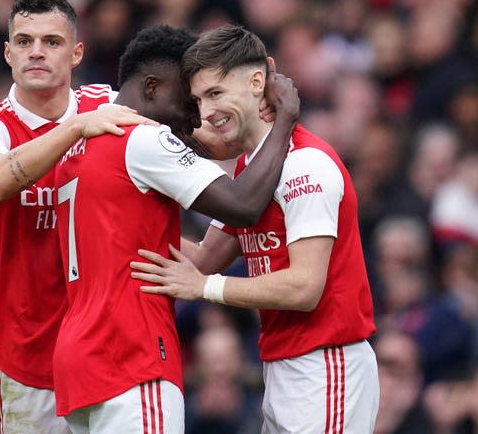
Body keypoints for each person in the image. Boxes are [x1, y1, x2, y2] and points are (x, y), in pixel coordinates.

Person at [131, 25, 379, 433]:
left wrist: (205, 288)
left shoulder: (306, 166)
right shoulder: (252, 170)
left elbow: (304, 287)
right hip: (286, 367)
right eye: (198, 99)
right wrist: (127, 213)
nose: (207, 112)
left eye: (215, 93)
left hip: (326, 367)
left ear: (257, 81)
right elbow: (206, 258)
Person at [53, 24, 299, 433]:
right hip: (131, 354)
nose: (196, 114)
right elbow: (243, 206)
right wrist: (284, 122)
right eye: (188, 99)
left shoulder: (80, 142)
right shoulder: (144, 140)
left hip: (80, 360)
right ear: (151, 87)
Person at [0, 0, 160, 434]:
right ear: (7, 53)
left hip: (111, 357)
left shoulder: (108, 104)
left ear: (76, 53)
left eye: (51, 41)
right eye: (25, 41)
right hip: (29, 365)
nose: (36, 52)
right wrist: (73, 129)